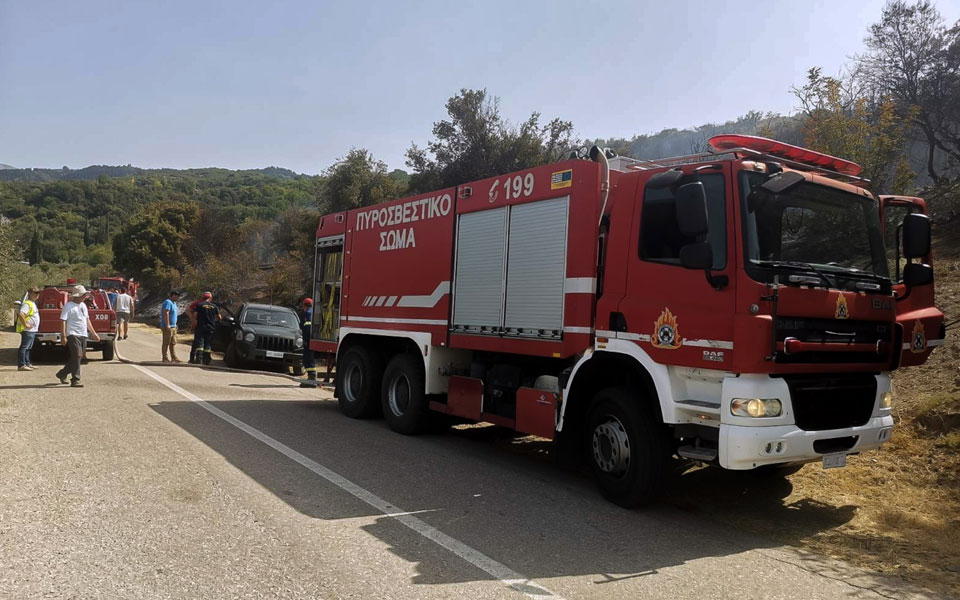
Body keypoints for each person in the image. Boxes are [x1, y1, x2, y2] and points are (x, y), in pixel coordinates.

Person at [56, 285, 100, 387]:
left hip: (83, 334)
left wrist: (93, 333)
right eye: (83, 295)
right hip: (72, 333)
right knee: (77, 355)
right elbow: (63, 321)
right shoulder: (68, 306)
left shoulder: (83, 306)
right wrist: (63, 336)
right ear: (77, 295)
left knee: (79, 357)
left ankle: (62, 374)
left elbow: (87, 320)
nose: (85, 296)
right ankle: (75, 379)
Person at [190, 292, 220, 365]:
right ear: (210, 298)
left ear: (203, 298)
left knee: (200, 344)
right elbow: (219, 317)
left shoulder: (199, 305)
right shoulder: (214, 306)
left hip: (201, 327)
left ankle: (199, 358)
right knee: (208, 344)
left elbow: (194, 316)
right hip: (210, 329)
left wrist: (192, 326)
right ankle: (206, 359)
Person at [16, 287, 41, 371]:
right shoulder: (27, 304)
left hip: (32, 330)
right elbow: (21, 314)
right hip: (28, 330)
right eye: (35, 293)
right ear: (29, 293)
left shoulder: (33, 303)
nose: (37, 295)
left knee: (28, 348)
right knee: (24, 347)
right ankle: (21, 365)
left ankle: (27, 363)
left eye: (38, 293)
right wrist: (25, 324)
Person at [160, 290, 182, 363]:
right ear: (173, 295)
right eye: (177, 296)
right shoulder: (168, 302)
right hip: (168, 326)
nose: (178, 298)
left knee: (173, 342)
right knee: (166, 342)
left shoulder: (174, 303)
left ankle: (173, 357)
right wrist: (167, 324)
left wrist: (175, 325)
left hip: (174, 326)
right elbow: (166, 313)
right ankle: (165, 358)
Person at [300, 297, 317, 382]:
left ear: (305, 306)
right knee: (311, 357)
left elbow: (307, 327)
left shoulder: (307, 314)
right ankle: (311, 377)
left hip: (308, 339)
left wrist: (306, 340)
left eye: (303, 306)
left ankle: (311, 377)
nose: (303, 308)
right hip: (314, 338)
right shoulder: (314, 312)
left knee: (308, 357)